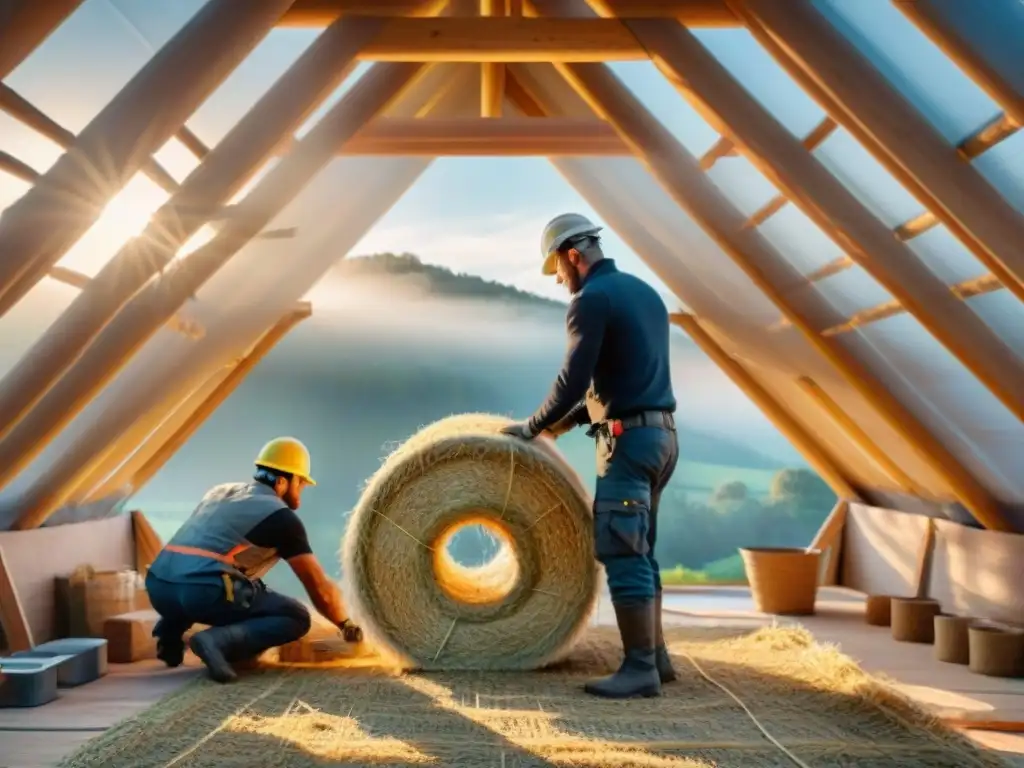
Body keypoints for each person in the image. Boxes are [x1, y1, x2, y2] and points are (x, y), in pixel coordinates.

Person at [501, 213, 679, 699]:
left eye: (557, 269)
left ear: (573, 256)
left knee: (621, 550)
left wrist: (533, 426)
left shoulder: (590, 300)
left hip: (626, 444)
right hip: (661, 440)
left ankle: (639, 668)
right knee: (641, 548)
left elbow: (573, 381)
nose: (559, 281)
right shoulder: (644, 293)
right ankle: (658, 659)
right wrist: (566, 423)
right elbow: (620, 383)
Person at [145, 437, 362, 684]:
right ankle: (216, 641)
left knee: (207, 572)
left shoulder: (220, 492)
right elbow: (319, 589)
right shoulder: (281, 518)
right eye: (300, 481)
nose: (302, 488)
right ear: (282, 481)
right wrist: (346, 624)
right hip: (201, 591)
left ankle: (169, 637)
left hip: (159, 586)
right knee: (295, 616)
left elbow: (197, 551)